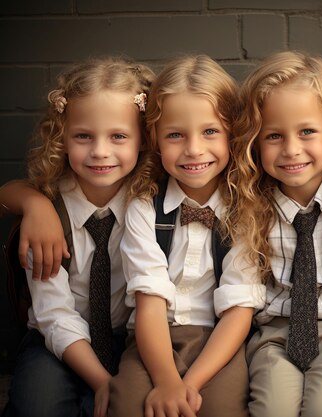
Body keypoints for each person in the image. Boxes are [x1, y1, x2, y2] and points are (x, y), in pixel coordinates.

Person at [107, 55, 265, 417]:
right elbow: (149, 302)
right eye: (175, 135)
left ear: (232, 133)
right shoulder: (144, 207)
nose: (193, 149)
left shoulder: (246, 210)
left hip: (220, 343)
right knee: (130, 406)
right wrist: (166, 381)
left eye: (210, 131)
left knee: (221, 409)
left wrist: (190, 384)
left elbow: (240, 310)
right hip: (152, 341)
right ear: (155, 139)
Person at [2, 57, 155, 417]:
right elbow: (53, 315)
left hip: (135, 338)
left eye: (118, 136)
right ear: (62, 137)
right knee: (38, 407)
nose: (100, 151)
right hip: (55, 340)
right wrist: (34, 205)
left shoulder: (151, 200)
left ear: (144, 138)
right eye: (83, 136)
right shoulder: (50, 210)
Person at [230, 51, 322, 417]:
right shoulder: (250, 206)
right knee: (271, 409)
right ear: (255, 143)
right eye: (274, 135)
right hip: (272, 334)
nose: (291, 149)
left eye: (307, 131)